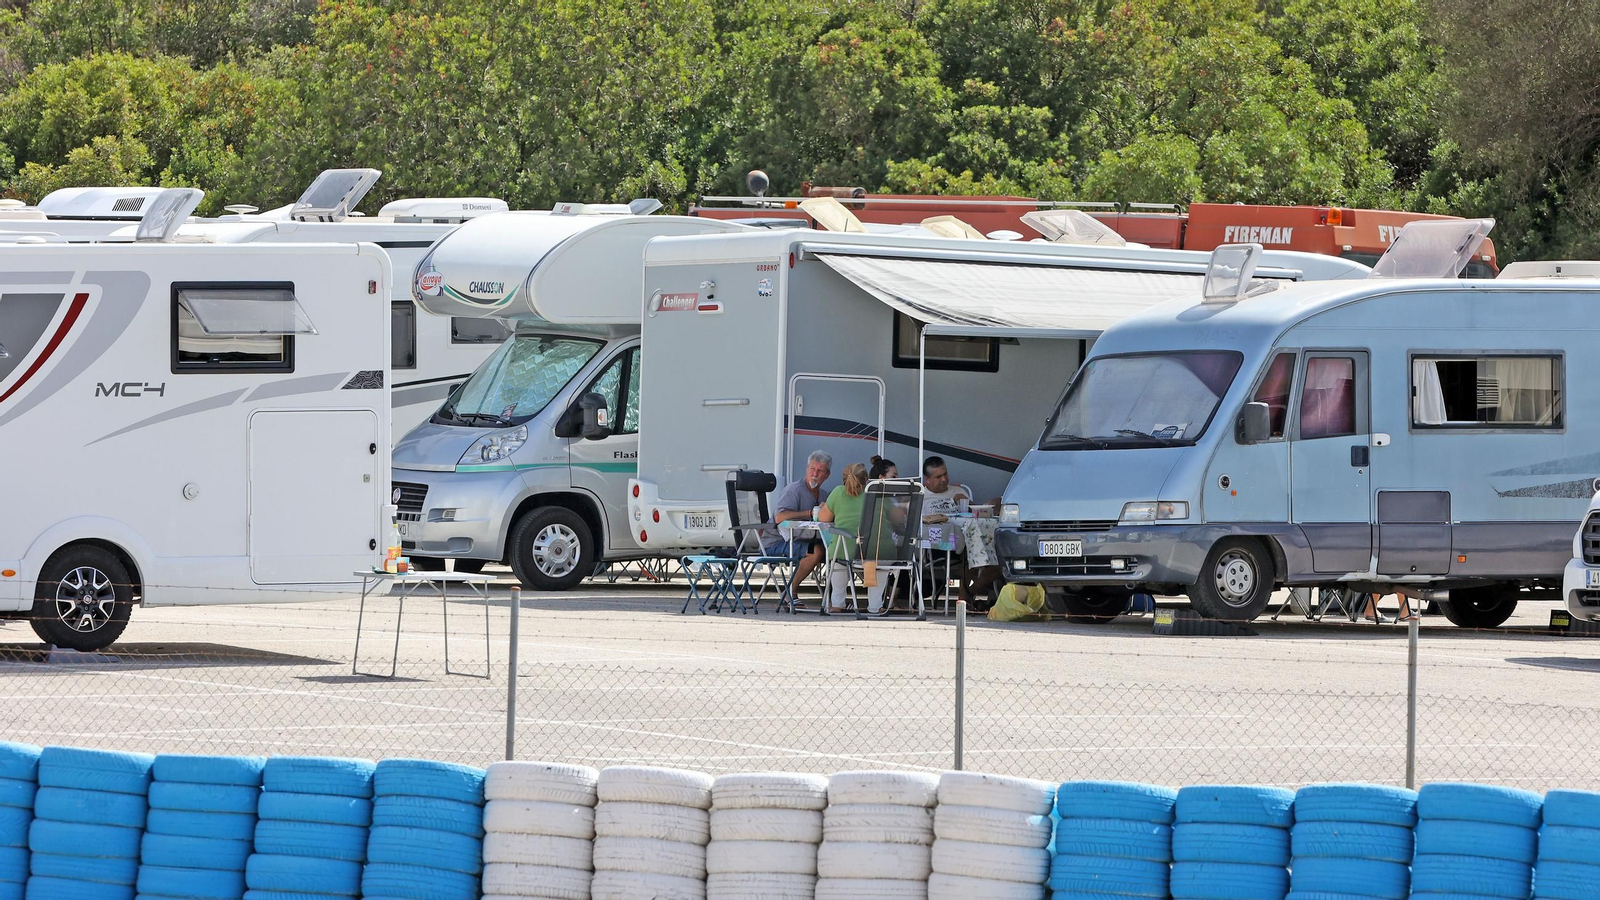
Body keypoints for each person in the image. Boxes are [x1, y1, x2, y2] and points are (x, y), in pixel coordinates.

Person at [920, 456, 1002, 606]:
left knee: (997, 556)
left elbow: (975, 517)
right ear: (927, 479)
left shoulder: (958, 491)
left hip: (964, 542)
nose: (944, 479)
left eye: (945, 474)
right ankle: (966, 594)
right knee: (966, 546)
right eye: (938, 476)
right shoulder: (922, 496)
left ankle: (968, 592)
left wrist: (968, 503)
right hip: (935, 546)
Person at [768, 450, 832, 605]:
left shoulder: (824, 495)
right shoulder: (794, 490)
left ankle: (835, 600)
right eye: (812, 469)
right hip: (778, 542)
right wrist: (809, 512)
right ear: (806, 469)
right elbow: (779, 517)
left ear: (827, 475)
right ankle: (790, 591)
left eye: (820, 471)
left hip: (805, 539)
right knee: (816, 551)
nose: (815, 474)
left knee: (836, 549)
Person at [818, 462, 869, 611]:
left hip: (844, 549)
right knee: (879, 563)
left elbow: (823, 518)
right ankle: (876, 605)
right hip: (874, 551)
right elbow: (896, 518)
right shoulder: (875, 495)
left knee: (839, 554)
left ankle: (837, 604)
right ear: (866, 479)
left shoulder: (838, 492)